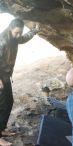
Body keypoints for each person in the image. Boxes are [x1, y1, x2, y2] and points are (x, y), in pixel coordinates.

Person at [0, 18, 40, 146]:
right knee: (2, 105)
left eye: (20, 32)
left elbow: (23, 39)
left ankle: (2, 129)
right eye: (16, 32)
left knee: (8, 102)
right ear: (10, 28)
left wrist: (34, 31)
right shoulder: (3, 41)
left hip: (6, 77)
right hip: (1, 78)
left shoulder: (14, 37)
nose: (18, 35)